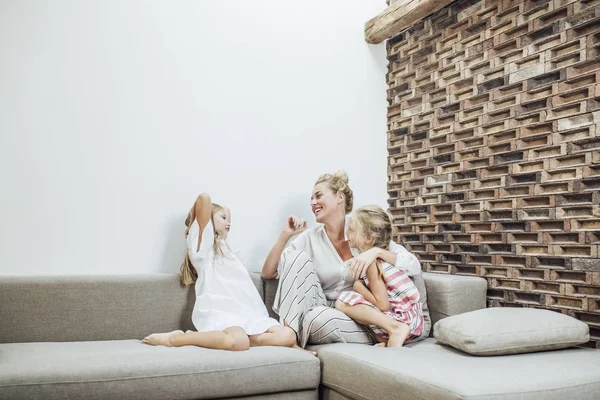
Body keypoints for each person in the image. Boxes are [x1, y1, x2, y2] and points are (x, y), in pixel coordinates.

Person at [261, 171, 422, 348]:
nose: (313, 202)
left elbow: (413, 266)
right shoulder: (309, 239)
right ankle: (289, 339)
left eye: (318, 195)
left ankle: (386, 333)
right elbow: (268, 273)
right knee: (296, 259)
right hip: (324, 304)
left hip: (360, 317)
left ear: (339, 197)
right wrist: (285, 236)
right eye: (311, 198)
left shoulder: (362, 232)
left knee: (317, 319)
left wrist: (376, 252)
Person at [144, 193, 297, 351]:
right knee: (238, 343)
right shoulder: (202, 248)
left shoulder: (226, 248)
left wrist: (222, 216)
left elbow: (226, 212)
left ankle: (248, 338)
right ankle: (176, 338)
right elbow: (204, 198)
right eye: (223, 218)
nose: (228, 223)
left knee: (288, 335)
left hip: (249, 314)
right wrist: (193, 223)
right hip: (222, 313)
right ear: (207, 221)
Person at [336, 205, 423, 347]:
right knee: (362, 311)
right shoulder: (367, 258)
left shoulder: (372, 262)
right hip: (410, 319)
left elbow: (382, 305)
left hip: (404, 319)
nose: (346, 234)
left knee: (343, 302)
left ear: (368, 238)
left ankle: (395, 329)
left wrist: (359, 287)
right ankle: (388, 339)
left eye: (351, 229)